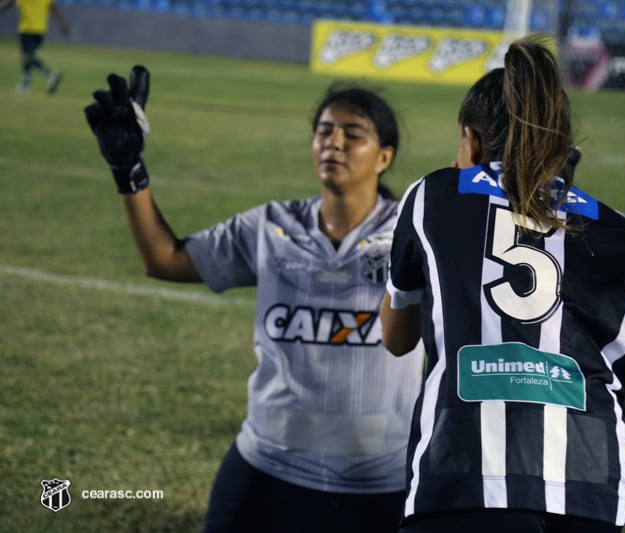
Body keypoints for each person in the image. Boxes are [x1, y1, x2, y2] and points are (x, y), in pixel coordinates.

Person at [380, 36, 625, 533]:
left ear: (470, 138)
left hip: (464, 471)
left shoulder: (433, 195)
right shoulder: (619, 229)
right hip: (590, 480)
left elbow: (397, 337)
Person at [83, 65, 425, 532]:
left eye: (353, 134)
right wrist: (128, 169)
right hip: (269, 465)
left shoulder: (415, 233)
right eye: (324, 131)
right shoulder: (270, 227)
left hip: (381, 482)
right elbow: (164, 259)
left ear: (384, 157)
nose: (334, 143)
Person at [0, 0, 69, 94]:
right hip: (40, 30)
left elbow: (8, 3)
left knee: (26, 56)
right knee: (27, 56)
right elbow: (53, 7)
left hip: (27, 28)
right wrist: (62, 24)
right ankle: (26, 83)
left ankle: (50, 74)